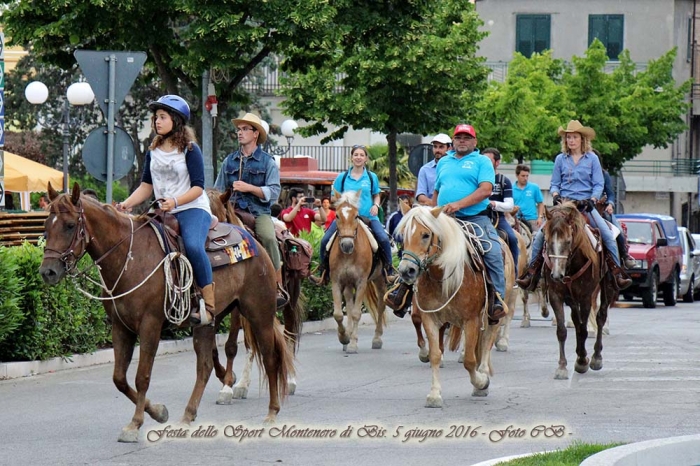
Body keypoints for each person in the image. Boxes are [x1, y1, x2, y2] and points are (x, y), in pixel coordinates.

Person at [117, 95, 216, 326]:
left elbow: (198, 187)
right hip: (162, 212)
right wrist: (126, 204)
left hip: (192, 208)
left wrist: (175, 202)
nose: (157, 122)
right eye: (155, 117)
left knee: (192, 245)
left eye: (162, 117)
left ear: (176, 120)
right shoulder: (153, 151)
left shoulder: (191, 150)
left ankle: (209, 305)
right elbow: (146, 186)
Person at [516, 120, 632, 291]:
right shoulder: (560, 159)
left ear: (582, 139)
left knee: (607, 234)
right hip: (564, 205)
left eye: (574, 137)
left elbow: (599, 184)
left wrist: (593, 199)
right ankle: (532, 274)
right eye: (568, 137)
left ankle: (617, 273)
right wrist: (555, 195)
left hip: (586, 205)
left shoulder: (592, 159)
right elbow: (555, 183)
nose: (571, 141)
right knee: (540, 236)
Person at [433, 124, 507, 323]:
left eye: (467, 137)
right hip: (444, 219)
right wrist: (431, 215)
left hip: (475, 218)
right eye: (458, 137)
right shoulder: (443, 162)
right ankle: (404, 292)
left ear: (474, 142)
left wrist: (458, 204)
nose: (462, 140)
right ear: (453, 141)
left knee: (493, 251)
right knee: (418, 248)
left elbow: (485, 190)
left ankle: (497, 299)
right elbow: (437, 191)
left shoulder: (482, 161)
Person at [214, 113, 288, 308]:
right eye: (239, 129)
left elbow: (273, 192)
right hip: (231, 212)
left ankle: (277, 285)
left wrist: (250, 188)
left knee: (269, 237)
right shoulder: (229, 161)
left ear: (255, 134)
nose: (240, 133)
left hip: (257, 213)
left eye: (245, 129)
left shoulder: (267, 162)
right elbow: (217, 189)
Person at [309, 144, 395, 285]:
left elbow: (376, 195)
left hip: (368, 217)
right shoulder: (342, 177)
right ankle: (323, 273)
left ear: (366, 158)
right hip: (346, 219)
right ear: (351, 157)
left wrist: (375, 205)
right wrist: (345, 201)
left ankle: (388, 272)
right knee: (325, 240)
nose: (358, 157)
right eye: (356, 155)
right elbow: (333, 198)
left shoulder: (371, 177)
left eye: (362, 155)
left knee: (384, 239)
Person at [593, 149, 636, 269]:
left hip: (599, 208)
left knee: (617, 230)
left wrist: (610, 204)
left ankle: (624, 256)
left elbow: (610, 193)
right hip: (581, 207)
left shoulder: (604, 174)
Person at [481, 148, 519, 276]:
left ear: (497, 163)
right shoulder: (476, 179)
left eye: (488, 159)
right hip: (477, 216)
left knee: (512, 239)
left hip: (498, 218)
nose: (484, 162)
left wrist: (494, 204)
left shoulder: (503, 181)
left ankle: (514, 272)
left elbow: (509, 205)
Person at [415, 133, 451, 206]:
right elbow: (420, 196)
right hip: (431, 212)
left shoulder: (455, 167)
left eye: (441, 147)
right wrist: (437, 207)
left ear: (449, 148)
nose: (437, 150)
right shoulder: (425, 169)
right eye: (435, 147)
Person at [511, 164, 545, 233]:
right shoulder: (511, 188)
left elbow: (540, 203)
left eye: (527, 176)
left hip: (531, 219)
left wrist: (540, 217)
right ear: (517, 175)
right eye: (523, 176)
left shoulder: (534, 187)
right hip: (516, 219)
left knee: (539, 237)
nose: (525, 178)